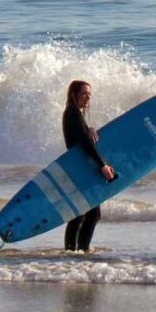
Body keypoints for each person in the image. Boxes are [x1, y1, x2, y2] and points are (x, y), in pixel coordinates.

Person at [62, 80, 116, 252]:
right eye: (84, 93)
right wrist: (103, 165)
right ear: (73, 95)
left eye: (89, 94)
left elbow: (82, 135)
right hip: (81, 169)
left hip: (79, 168)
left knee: (82, 214)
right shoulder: (72, 113)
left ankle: (72, 251)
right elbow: (85, 143)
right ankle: (80, 251)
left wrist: (90, 129)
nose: (87, 98)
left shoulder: (73, 113)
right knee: (92, 214)